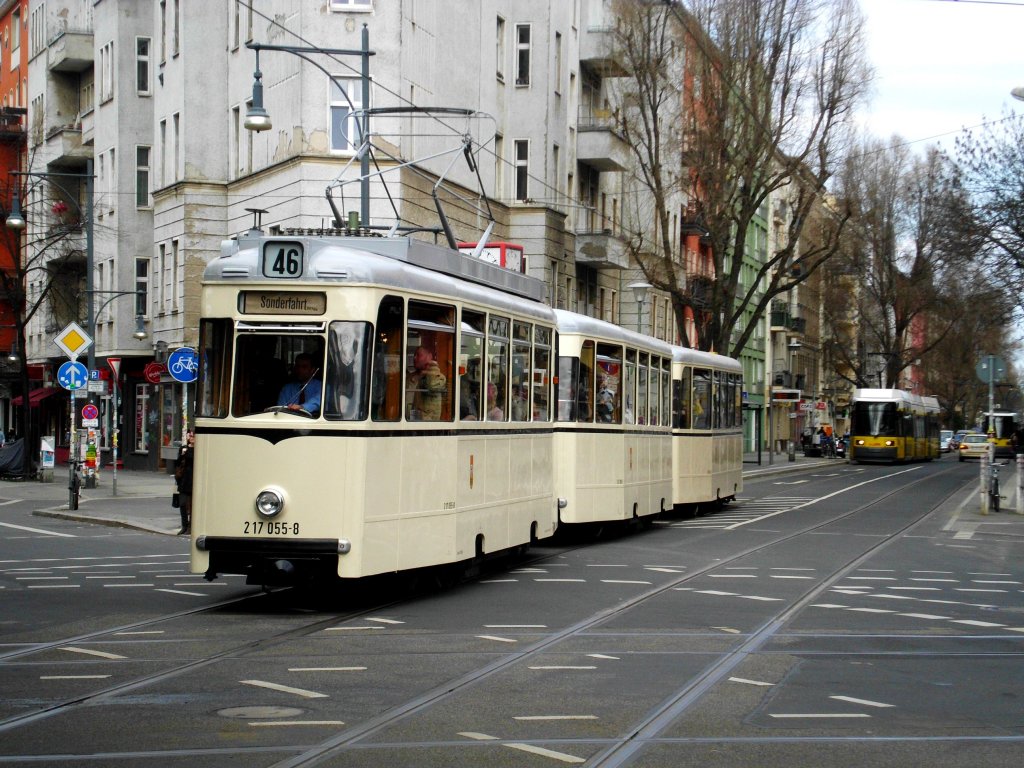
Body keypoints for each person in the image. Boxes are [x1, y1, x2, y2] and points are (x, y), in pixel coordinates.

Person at [406, 346, 447, 420]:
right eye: (414, 355)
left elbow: (432, 385)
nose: (414, 358)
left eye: (418, 355)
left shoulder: (438, 378)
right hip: (406, 422)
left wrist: (431, 370)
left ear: (429, 356)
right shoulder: (409, 377)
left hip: (425, 425)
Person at [174, 430, 194, 536]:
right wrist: (182, 455)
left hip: (194, 481)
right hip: (184, 480)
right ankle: (184, 526)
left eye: (193, 436)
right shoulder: (183, 448)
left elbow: (193, 459)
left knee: (193, 506)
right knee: (182, 504)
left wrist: (188, 452)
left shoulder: (199, 449)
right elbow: (177, 463)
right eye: (190, 436)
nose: (191, 437)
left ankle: (191, 527)